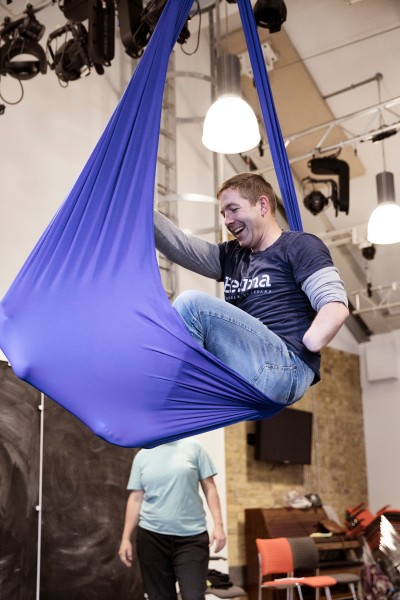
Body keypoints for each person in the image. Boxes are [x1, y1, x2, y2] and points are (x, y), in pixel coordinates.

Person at [154, 172, 349, 405]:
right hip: (246, 365)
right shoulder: (231, 255)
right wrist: (140, 209)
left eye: (234, 209)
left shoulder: (299, 246)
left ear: (263, 205)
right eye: (224, 214)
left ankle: (173, 397)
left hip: (285, 367)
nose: (227, 220)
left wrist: (310, 343)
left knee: (192, 305)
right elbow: (181, 246)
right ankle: (175, 393)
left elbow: (335, 305)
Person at [118, 438, 226, 600]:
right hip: (152, 538)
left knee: (194, 596)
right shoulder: (142, 455)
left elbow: (210, 488)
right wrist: (125, 538)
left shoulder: (194, 448)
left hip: (191, 538)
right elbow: (135, 498)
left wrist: (218, 525)